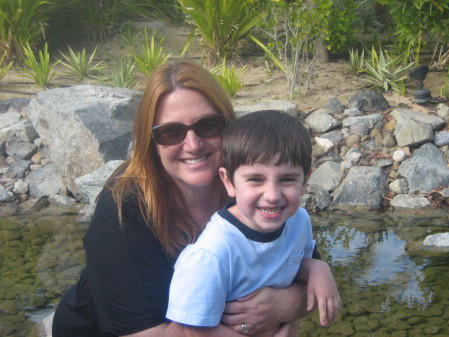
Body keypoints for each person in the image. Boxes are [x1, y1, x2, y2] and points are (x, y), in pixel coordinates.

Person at [52, 59, 332, 337]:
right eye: (171, 132)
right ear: (151, 142)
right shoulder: (124, 207)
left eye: (208, 125)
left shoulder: (256, 188)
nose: (193, 144)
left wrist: (284, 306)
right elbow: (145, 332)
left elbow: (300, 268)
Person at [166, 110, 341, 337]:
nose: (272, 195)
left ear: (305, 181)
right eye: (256, 180)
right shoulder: (213, 253)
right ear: (229, 181)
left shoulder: (299, 221)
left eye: (287, 179)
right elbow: (193, 330)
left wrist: (318, 269)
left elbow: (289, 263)